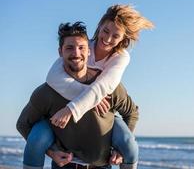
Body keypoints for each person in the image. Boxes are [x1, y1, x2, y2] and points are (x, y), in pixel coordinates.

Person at [16, 22, 139, 169]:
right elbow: (23, 124)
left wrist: (121, 148)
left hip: (101, 166)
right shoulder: (47, 92)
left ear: (89, 51)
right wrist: (51, 152)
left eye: (81, 48)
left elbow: (132, 113)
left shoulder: (109, 88)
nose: (76, 53)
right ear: (60, 52)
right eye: (69, 48)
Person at [47, 5, 154, 166]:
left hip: (105, 114)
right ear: (99, 26)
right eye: (105, 31)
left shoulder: (120, 57)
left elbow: (104, 87)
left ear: (123, 39)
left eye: (115, 35)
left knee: (130, 147)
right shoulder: (83, 47)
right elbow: (53, 77)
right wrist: (93, 100)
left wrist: (72, 109)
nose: (108, 39)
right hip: (84, 115)